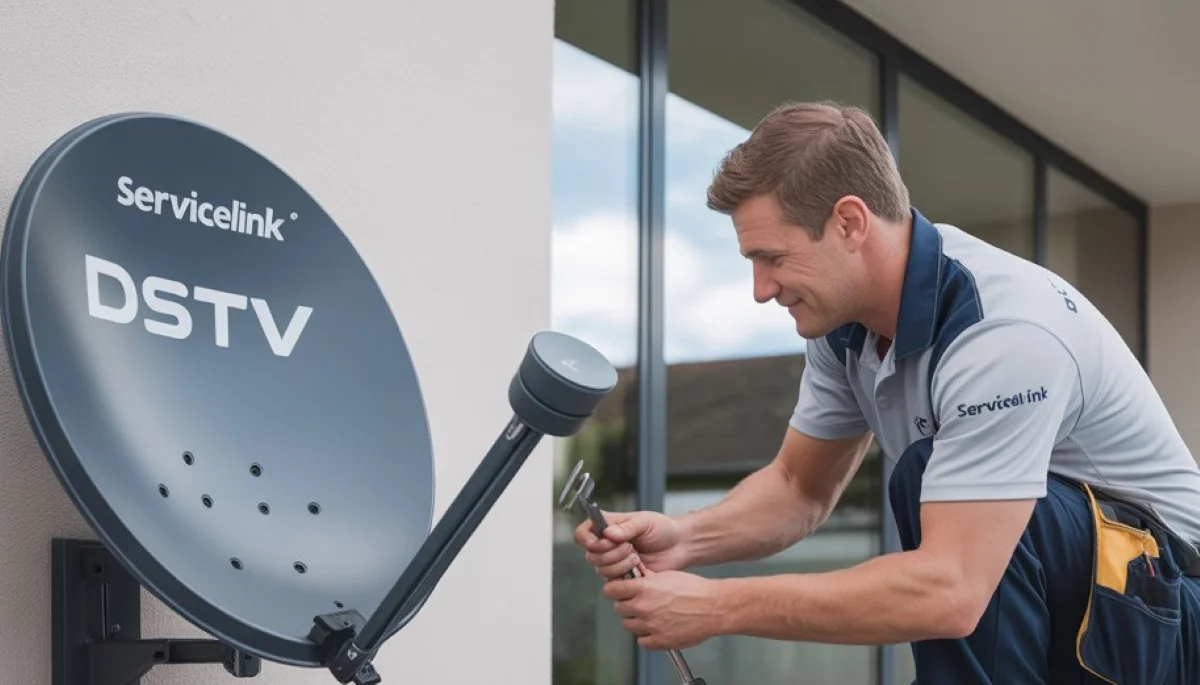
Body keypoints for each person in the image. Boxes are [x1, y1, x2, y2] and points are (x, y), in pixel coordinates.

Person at [574, 100, 1200, 683]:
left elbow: (950, 590)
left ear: (849, 222)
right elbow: (799, 489)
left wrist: (719, 606)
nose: (762, 289)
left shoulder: (1000, 330)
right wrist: (685, 540)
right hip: (1085, 599)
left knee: (931, 478)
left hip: (1168, 601)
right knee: (938, 483)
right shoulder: (844, 326)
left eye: (773, 258)